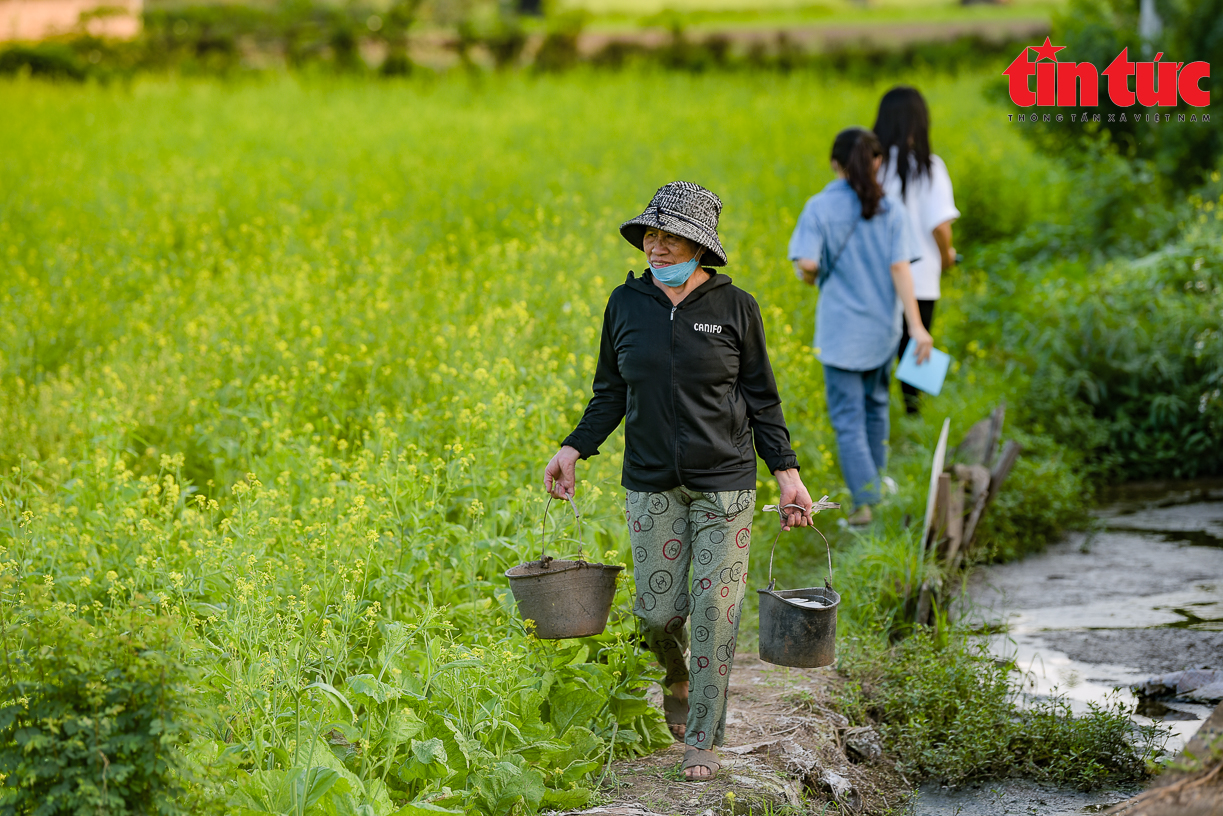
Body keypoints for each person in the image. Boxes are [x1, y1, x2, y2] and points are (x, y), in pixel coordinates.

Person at [544, 181, 815, 782]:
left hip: (724, 482)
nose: (656, 246)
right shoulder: (625, 304)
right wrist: (573, 448)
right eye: (650, 233)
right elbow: (610, 393)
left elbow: (762, 400)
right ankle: (677, 674)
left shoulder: (735, 307)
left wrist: (786, 473)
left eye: (670, 236)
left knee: (716, 608)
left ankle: (703, 736)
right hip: (650, 482)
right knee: (657, 614)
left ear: (699, 245)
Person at [788, 128, 933, 527]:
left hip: (840, 334)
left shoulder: (819, 207)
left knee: (848, 418)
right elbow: (900, 268)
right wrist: (916, 327)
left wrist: (811, 274)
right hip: (882, 331)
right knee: (876, 409)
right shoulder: (891, 209)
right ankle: (875, 489)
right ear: (877, 161)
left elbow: (808, 264)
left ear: (835, 163)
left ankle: (864, 505)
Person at [873, 86, 960, 415]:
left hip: (877, 274)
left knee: (881, 348)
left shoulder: (873, 168)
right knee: (917, 343)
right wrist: (948, 255)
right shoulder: (929, 167)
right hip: (921, 274)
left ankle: (878, 410)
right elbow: (940, 225)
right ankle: (914, 414)